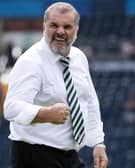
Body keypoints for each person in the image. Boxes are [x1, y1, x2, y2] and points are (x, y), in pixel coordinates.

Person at [3, 2, 108, 168]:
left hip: (69, 156)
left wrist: (98, 143)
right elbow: (11, 108)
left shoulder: (79, 57)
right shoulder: (31, 61)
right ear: (44, 26)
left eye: (67, 26)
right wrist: (45, 113)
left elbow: (90, 101)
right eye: (54, 25)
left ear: (76, 30)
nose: (60, 32)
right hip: (33, 156)